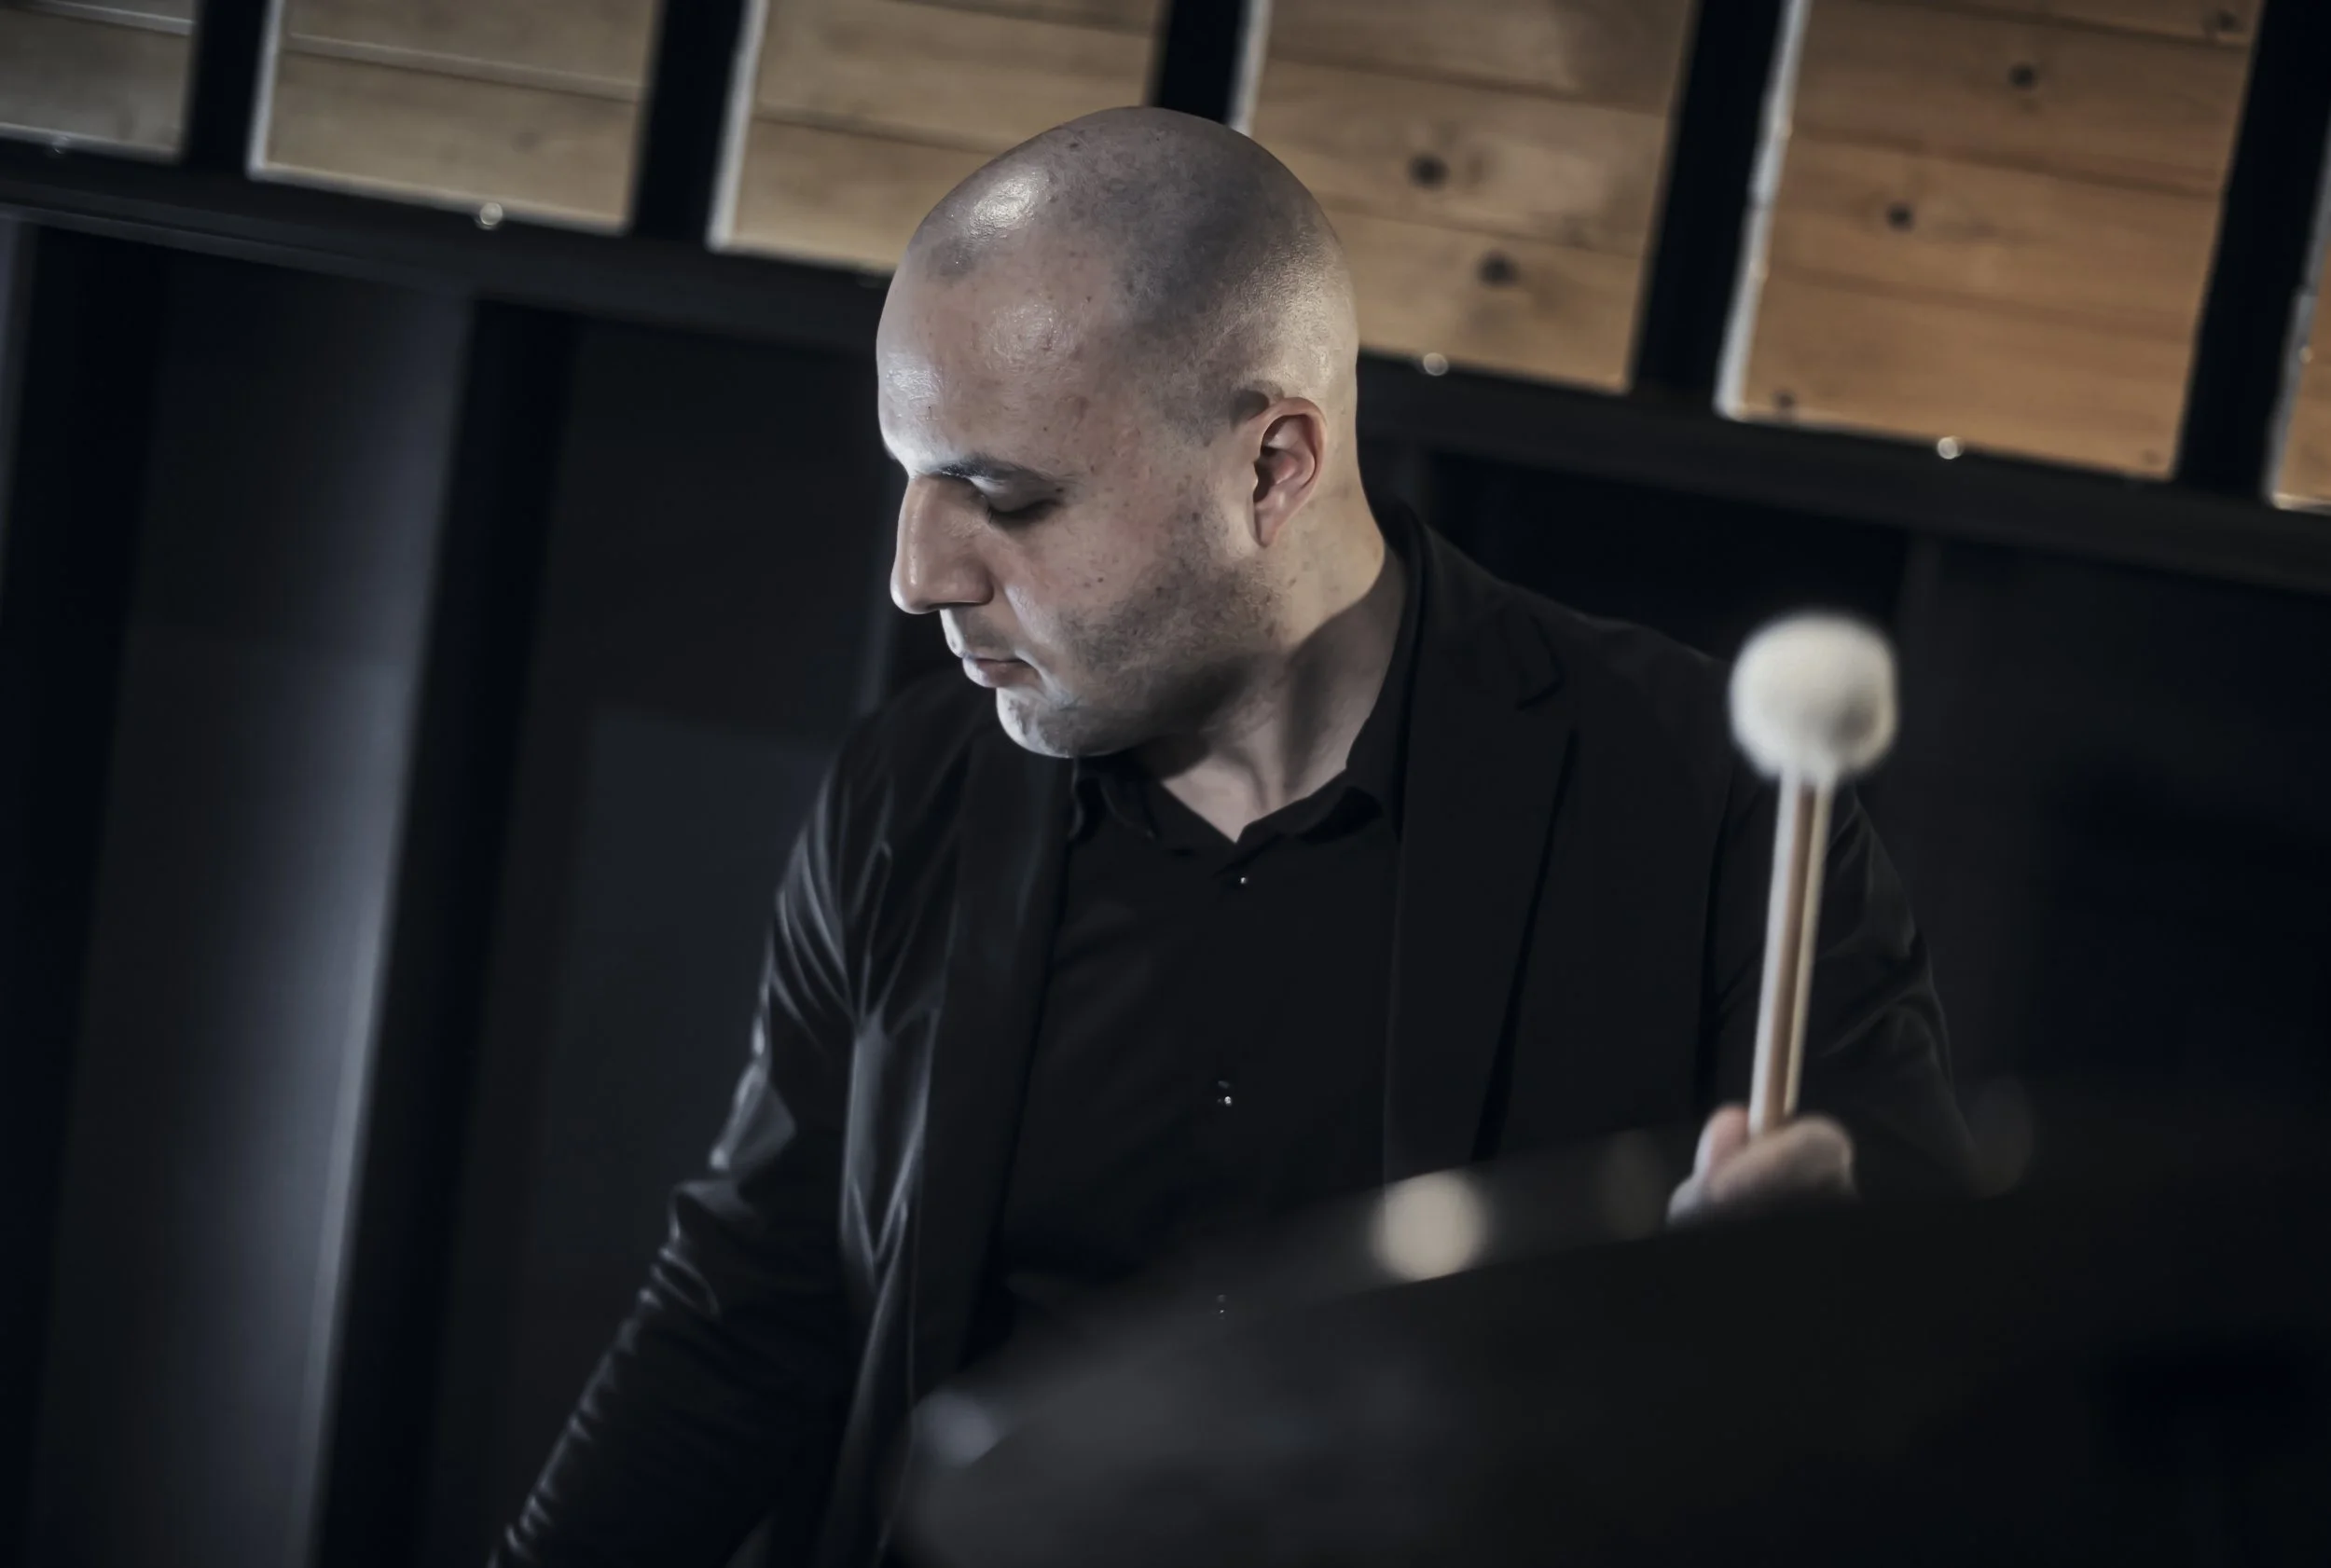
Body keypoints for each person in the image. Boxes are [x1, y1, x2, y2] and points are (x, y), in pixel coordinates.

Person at [494, 106, 1970, 1568]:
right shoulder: (908, 796)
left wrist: (1819, 1313)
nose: (918, 572)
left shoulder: (1709, 799)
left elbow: (1937, 1382)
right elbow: (747, 1306)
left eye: (1004, 495)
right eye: (914, 476)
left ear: (1274, 467)